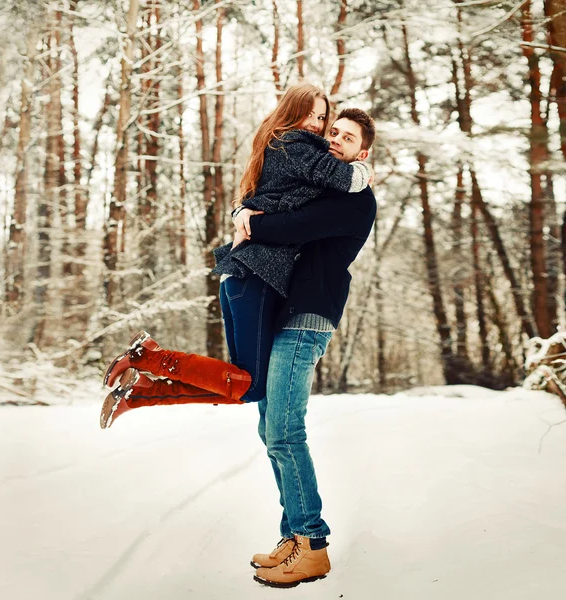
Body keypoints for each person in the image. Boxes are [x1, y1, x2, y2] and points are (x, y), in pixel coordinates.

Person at [99, 84, 372, 429]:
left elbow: (274, 200)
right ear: (291, 111)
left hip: (244, 275)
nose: (317, 126)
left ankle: (142, 392)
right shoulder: (296, 145)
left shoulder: (279, 146)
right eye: (314, 117)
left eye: (321, 117)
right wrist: (362, 171)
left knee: (240, 383)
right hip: (255, 275)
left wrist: (241, 211)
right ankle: (150, 358)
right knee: (249, 385)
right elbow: (335, 180)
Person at [237, 108, 377, 588]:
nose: (335, 139)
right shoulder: (329, 186)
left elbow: (290, 227)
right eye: (332, 131)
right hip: (287, 314)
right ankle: (292, 537)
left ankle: (312, 545)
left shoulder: (355, 201)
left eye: (348, 136)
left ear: (363, 152)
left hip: (307, 319)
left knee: (284, 431)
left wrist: (249, 221)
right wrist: (246, 209)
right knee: (269, 428)